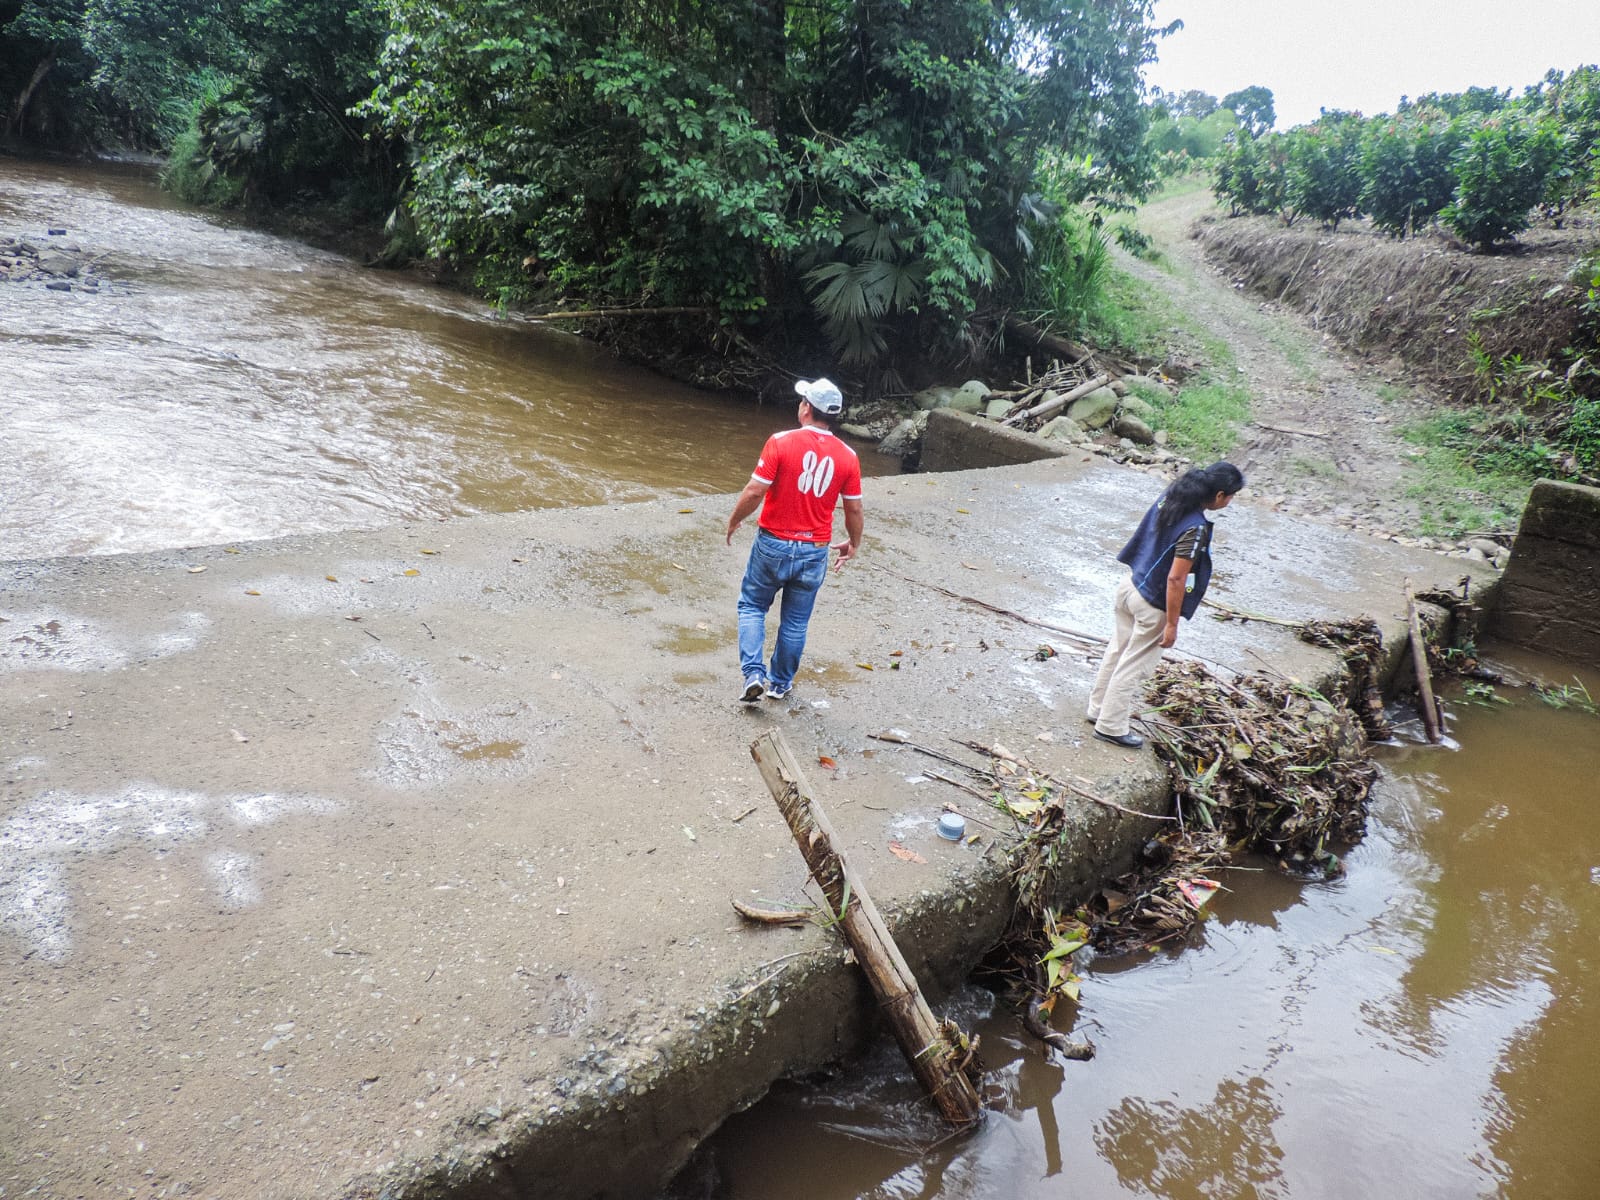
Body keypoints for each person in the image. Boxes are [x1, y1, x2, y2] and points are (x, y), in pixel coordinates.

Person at [1086, 461, 1246, 748]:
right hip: (1152, 603)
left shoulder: (1170, 498)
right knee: (1133, 665)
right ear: (1219, 495)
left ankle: (1097, 710)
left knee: (1117, 650)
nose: (1230, 502)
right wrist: (1172, 624)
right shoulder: (1195, 528)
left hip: (1130, 586)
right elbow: (1176, 579)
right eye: (1231, 496)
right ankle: (1110, 726)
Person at [725, 378, 864, 703]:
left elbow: (755, 491)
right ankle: (780, 684)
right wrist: (853, 543)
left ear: (806, 408)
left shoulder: (780, 442)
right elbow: (854, 509)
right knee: (796, 622)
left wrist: (734, 520)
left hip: (772, 544)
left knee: (752, 606)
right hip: (815, 550)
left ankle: (753, 674)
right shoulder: (849, 456)